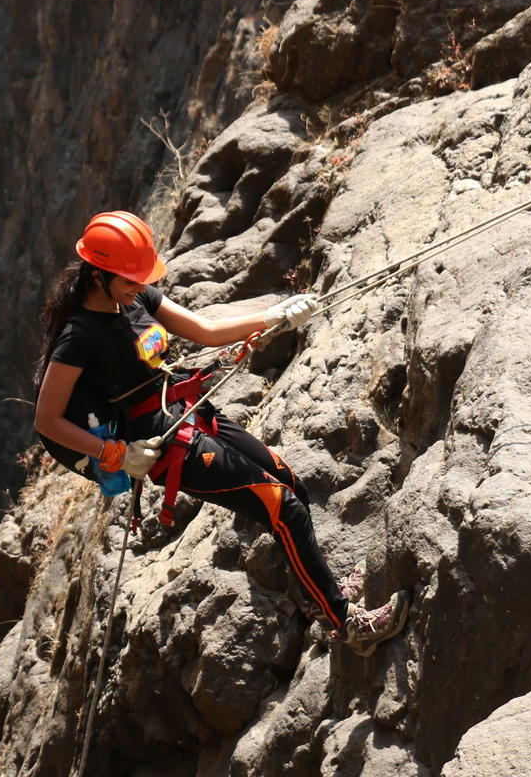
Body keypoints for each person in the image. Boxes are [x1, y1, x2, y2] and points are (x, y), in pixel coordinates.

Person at [33, 210, 409, 654]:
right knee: (283, 507)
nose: (139, 286)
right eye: (130, 279)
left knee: (289, 482)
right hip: (162, 445)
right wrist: (115, 454)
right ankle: (347, 625)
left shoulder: (134, 296)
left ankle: (316, 597)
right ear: (98, 274)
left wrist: (274, 316)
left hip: (187, 410)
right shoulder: (78, 336)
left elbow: (205, 330)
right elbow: (47, 420)